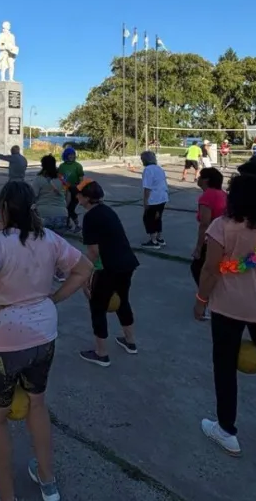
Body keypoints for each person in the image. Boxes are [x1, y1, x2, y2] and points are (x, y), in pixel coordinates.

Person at [0, 181, 93, 501]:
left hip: (3, 341)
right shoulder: (49, 239)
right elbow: (85, 268)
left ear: (4, 208)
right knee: (37, 404)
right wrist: (53, 298)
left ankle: (7, 496)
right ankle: (48, 482)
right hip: (43, 334)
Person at [193, 173, 256, 459]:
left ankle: (226, 430)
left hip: (228, 307)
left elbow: (211, 269)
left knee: (224, 366)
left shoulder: (221, 227)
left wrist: (201, 300)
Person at [77, 180, 140, 365]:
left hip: (109, 267)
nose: (77, 196)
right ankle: (130, 342)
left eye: (79, 194)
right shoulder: (107, 210)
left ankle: (101, 353)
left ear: (87, 198)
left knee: (97, 306)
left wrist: (84, 277)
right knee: (122, 300)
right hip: (127, 263)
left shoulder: (90, 217)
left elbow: (93, 252)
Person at [190, 168, 228, 320]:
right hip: (225, 238)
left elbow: (205, 223)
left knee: (200, 268)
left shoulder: (207, 196)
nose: (198, 179)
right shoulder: (224, 194)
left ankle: (207, 300)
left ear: (206, 180)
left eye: (200, 177)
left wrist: (199, 247)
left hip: (212, 238)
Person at [140, 151, 169, 248]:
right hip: (162, 196)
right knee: (158, 217)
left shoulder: (148, 170)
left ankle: (153, 241)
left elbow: (147, 187)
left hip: (154, 198)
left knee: (149, 218)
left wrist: (145, 201)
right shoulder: (159, 168)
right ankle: (159, 238)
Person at [31, 155, 67, 231]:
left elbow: (32, 196)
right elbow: (67, 194)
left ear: (42, 165)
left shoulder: (38, 179)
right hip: (62, 213)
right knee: (58, 241)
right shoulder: (62, 178)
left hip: (43, 213)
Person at [58, 147, 84, 232]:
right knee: (65, 208)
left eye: (73, 154)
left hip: (75, 190)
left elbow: (81, 179)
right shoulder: (62, 166)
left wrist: (81, 190)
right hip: (65, 190)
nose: (72, 156)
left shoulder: (78, 166)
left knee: (70, 209)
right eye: (70, 155)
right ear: (66, 155)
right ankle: (67, 224)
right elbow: (59, 177)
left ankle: (78, 225)